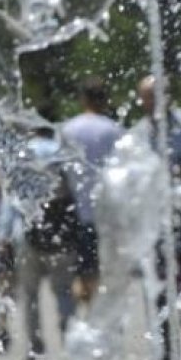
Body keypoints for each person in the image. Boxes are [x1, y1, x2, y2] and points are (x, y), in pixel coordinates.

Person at [135, 74, 181, 360]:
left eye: (157, 94)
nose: (151, 101)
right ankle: (165, 347)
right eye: (146, 96)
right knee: (159, 281)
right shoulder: (139, 133)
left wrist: (176, 171)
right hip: (157, 213)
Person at [0, 116, 79, 360]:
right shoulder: (62, 153)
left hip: (26, 233)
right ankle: (70, 342)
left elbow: (11, 197)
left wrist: (2, 233)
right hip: (61, 233)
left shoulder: (20, 154)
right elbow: (77, 193)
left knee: (29, 294)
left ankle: (35, 346)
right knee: (64, 291)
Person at [61, 78, 124, 306]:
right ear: (105, 100)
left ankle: (86, 311)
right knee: (107, 272)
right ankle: (95, 313)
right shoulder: (114, 130)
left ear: (83, 99)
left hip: (76, 211)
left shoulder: (68, 129)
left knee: (84, 271)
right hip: (108, 215)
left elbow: (61, 172)